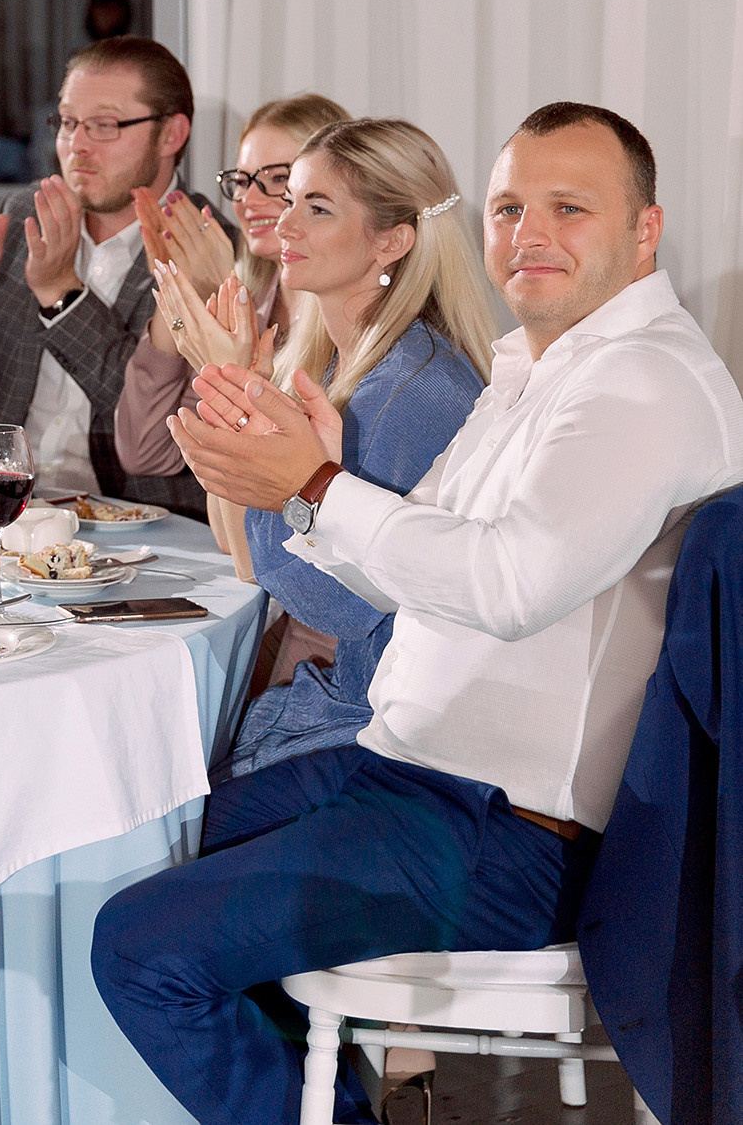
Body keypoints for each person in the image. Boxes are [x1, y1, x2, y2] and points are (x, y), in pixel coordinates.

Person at [94, 103, 743, 1124]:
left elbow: (509, 585)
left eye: (568, 207)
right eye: (508, 207)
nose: (529, 233)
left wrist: (312, 479)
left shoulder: (640, 381)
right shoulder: (535, 365)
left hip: (506, 832)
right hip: (407, 775)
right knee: (138, 836)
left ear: (645, 230)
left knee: (135, 944)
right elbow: (406, 568)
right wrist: (316, 481)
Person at [176, 119, 493, 779]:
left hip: (363, 739)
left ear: (392, 241)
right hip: (328, 711)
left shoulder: (410, 390)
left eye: (316, 208)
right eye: (289, 199)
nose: (283, 225)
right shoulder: (337, 365)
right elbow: (253, 558)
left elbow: (336, 605)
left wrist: (242, 406)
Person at [0, 36, 222, 516]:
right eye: (68, 123)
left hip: (142, 529)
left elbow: (153, 425)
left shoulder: (208, 250)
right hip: (5, 509)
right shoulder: (25, 216)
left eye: (103, 126)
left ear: (171, 135)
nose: (76, 145)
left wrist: (61, 294)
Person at [115, 93, 353, 479]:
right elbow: (144, 453)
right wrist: (179, 288)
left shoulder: (348, 310)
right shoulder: (252, 297)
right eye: (241, 181)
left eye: (279, 179)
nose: (247, 200)